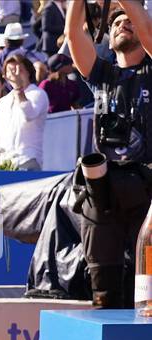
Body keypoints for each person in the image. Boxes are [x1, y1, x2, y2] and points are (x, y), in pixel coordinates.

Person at [65, 0, 152, 308]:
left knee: (143, 286)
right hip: (103, 187)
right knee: (104, 287)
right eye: (115, 22)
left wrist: (129, 6)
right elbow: (74, 34)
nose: (121, 24)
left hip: (147, 187)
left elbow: (148, 32)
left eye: (129, 21)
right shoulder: (101, 74)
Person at [0, 53, 48, 169]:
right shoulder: (3, 102)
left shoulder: (38, 94)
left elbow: (29, 115)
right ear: (5, 76)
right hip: (5, 162)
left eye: (20, 69)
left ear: (28, 72)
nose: (15, 74)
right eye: (11, 70)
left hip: (28, 159)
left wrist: (19, 90)